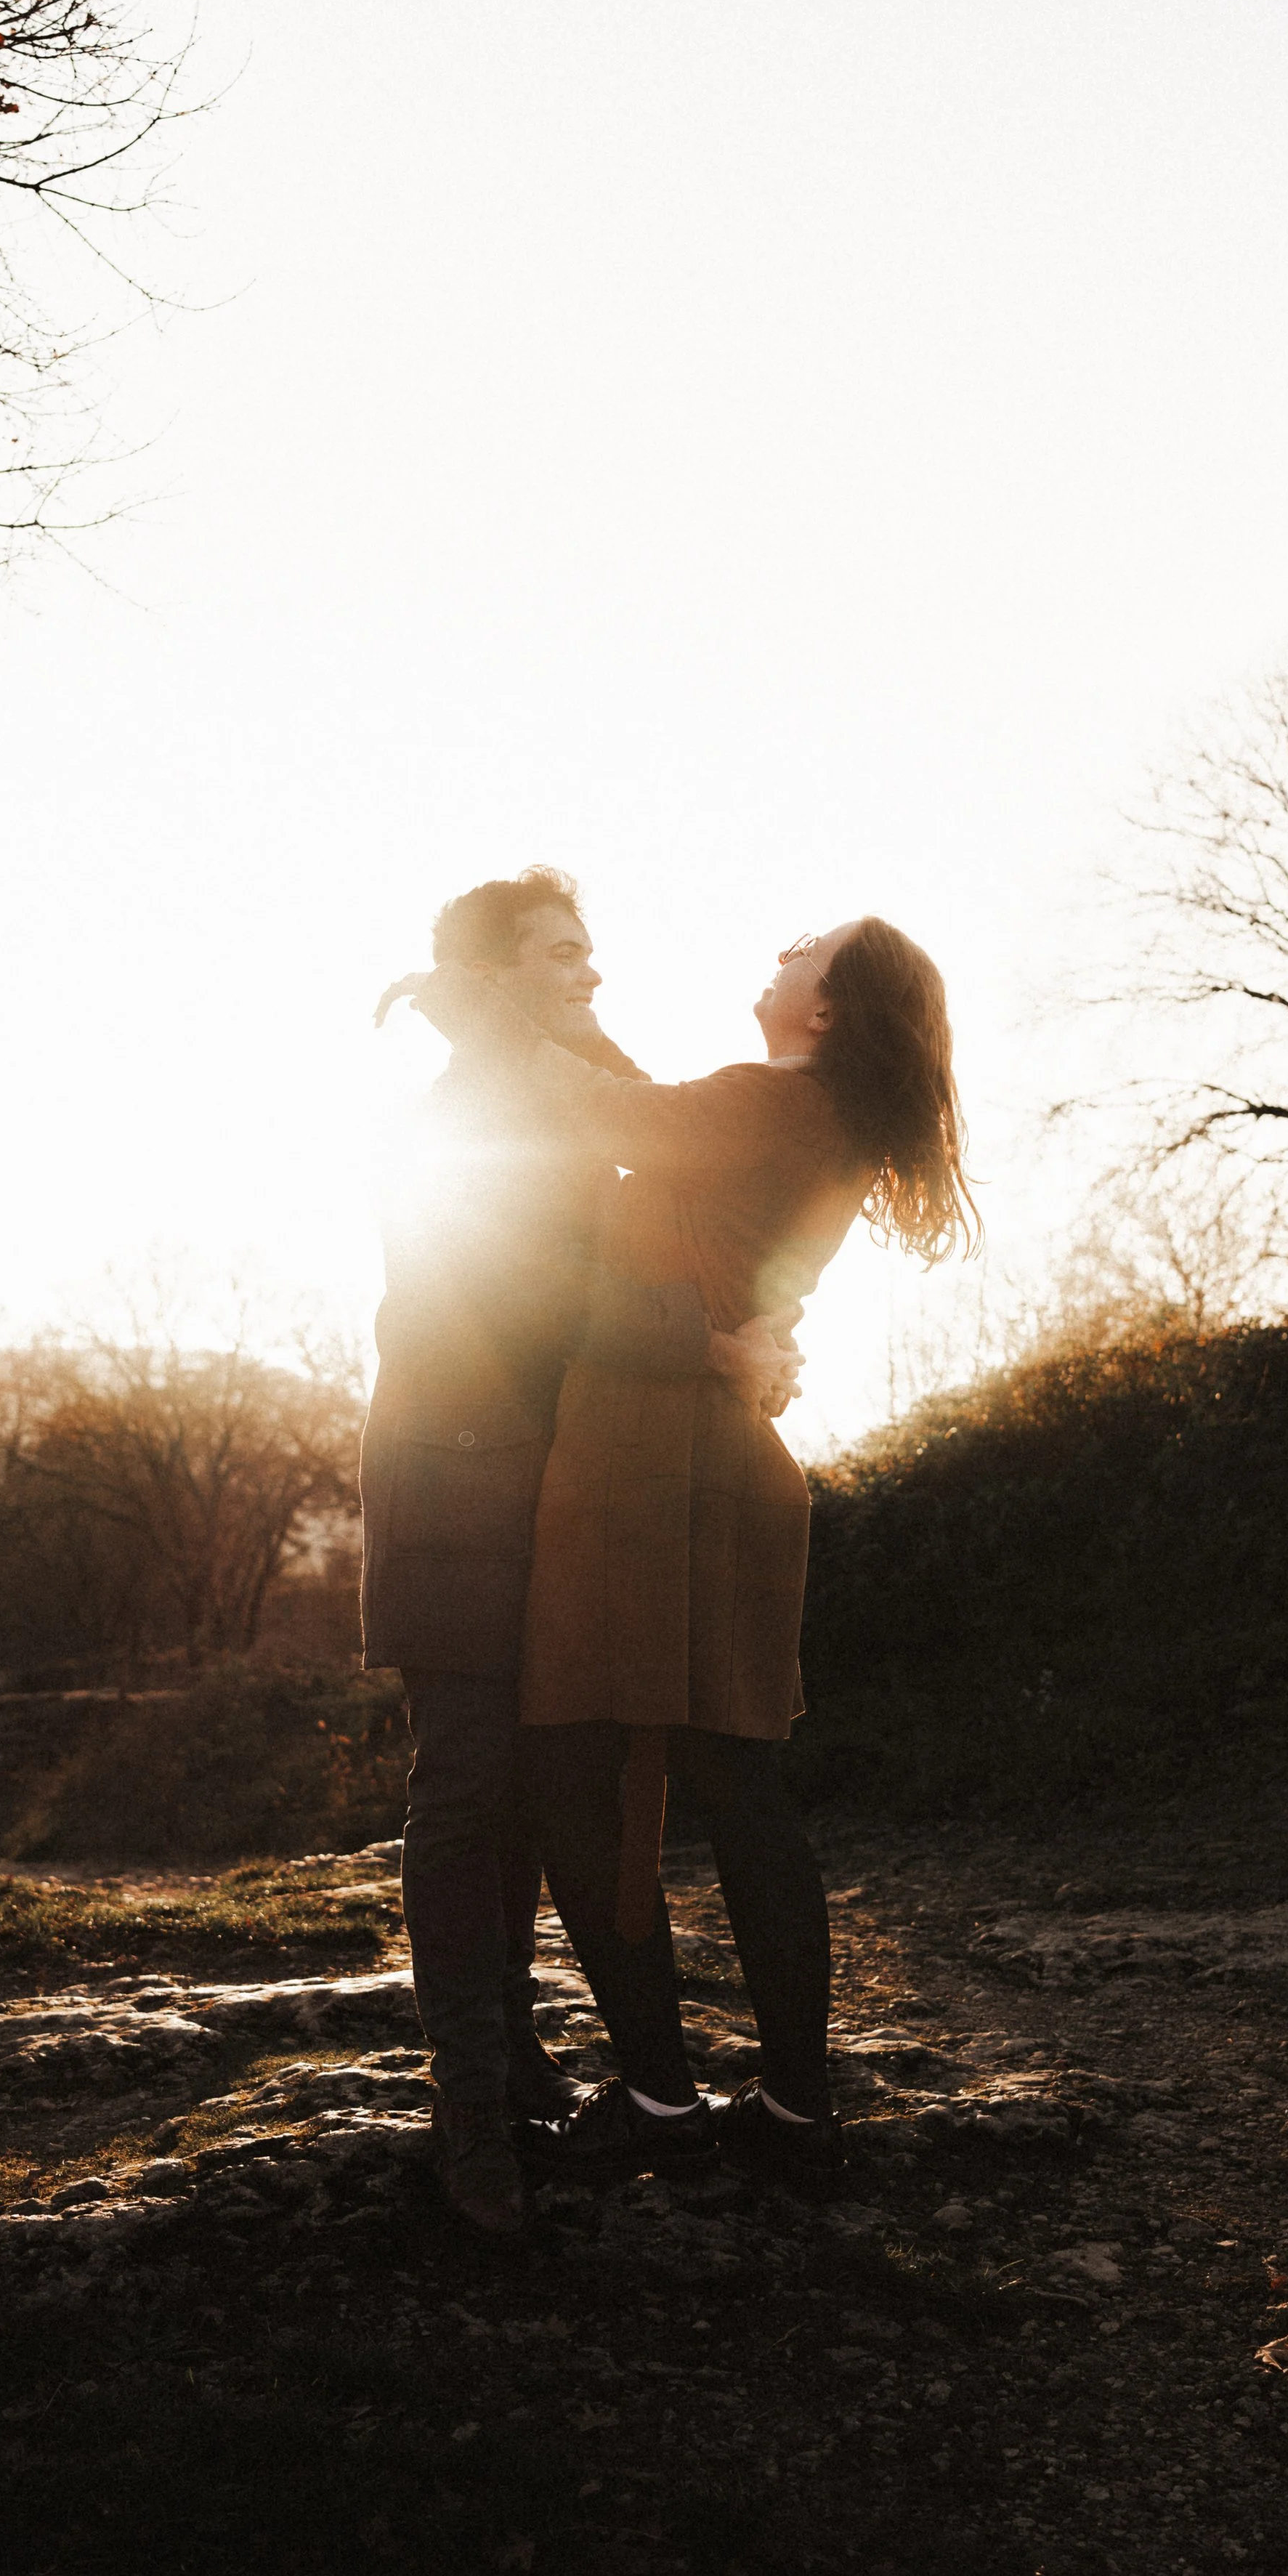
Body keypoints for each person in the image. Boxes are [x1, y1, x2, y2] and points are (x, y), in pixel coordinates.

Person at [392, 915, 975, 2184]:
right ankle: (795, 2108)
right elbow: (639, 1101)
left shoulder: (764, 1105)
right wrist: (551, 1017)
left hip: (639, 1468)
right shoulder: (803, 1117)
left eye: (804, 952)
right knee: (740, 1784)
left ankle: (659, 2095)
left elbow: (605, 1117)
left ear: (825, 1010)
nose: (778, 951)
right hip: (727, 1474)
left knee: (570, 1778)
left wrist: (480, 1005)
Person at [362, 868, 800, 2236]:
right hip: (452, 1492)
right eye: (565, 954)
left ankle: (526, 2067)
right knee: (471, 1785)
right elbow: (537, 1297)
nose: (596, 973)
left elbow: (661, 1171)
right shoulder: (477, 1112)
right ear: (499, 977)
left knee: (532, 1791)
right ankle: (473, 2117)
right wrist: (715, 1345)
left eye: (596, 952)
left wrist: (746, 1328)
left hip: (536, 1490)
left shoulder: (548, 1089)